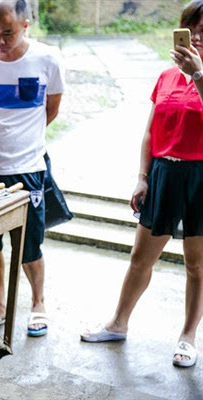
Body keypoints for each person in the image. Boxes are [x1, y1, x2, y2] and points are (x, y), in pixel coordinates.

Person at [81, 0, 203, 369]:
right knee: (140, 258)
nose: (196, 37)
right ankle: (118, 323)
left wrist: (199, 74)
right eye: (191, 30)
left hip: (201, 176)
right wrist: (142, 177)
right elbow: (150, 130)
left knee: (197, 265)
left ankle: (187, 337)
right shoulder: (166, 76)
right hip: (164, 172)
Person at [0, 0, 64, 335]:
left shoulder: (47, 58)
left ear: (25, 26)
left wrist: (23, 140)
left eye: (7, 33)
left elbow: (51, 108)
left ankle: (38, 303)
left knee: (29, 244)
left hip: (28, 167)